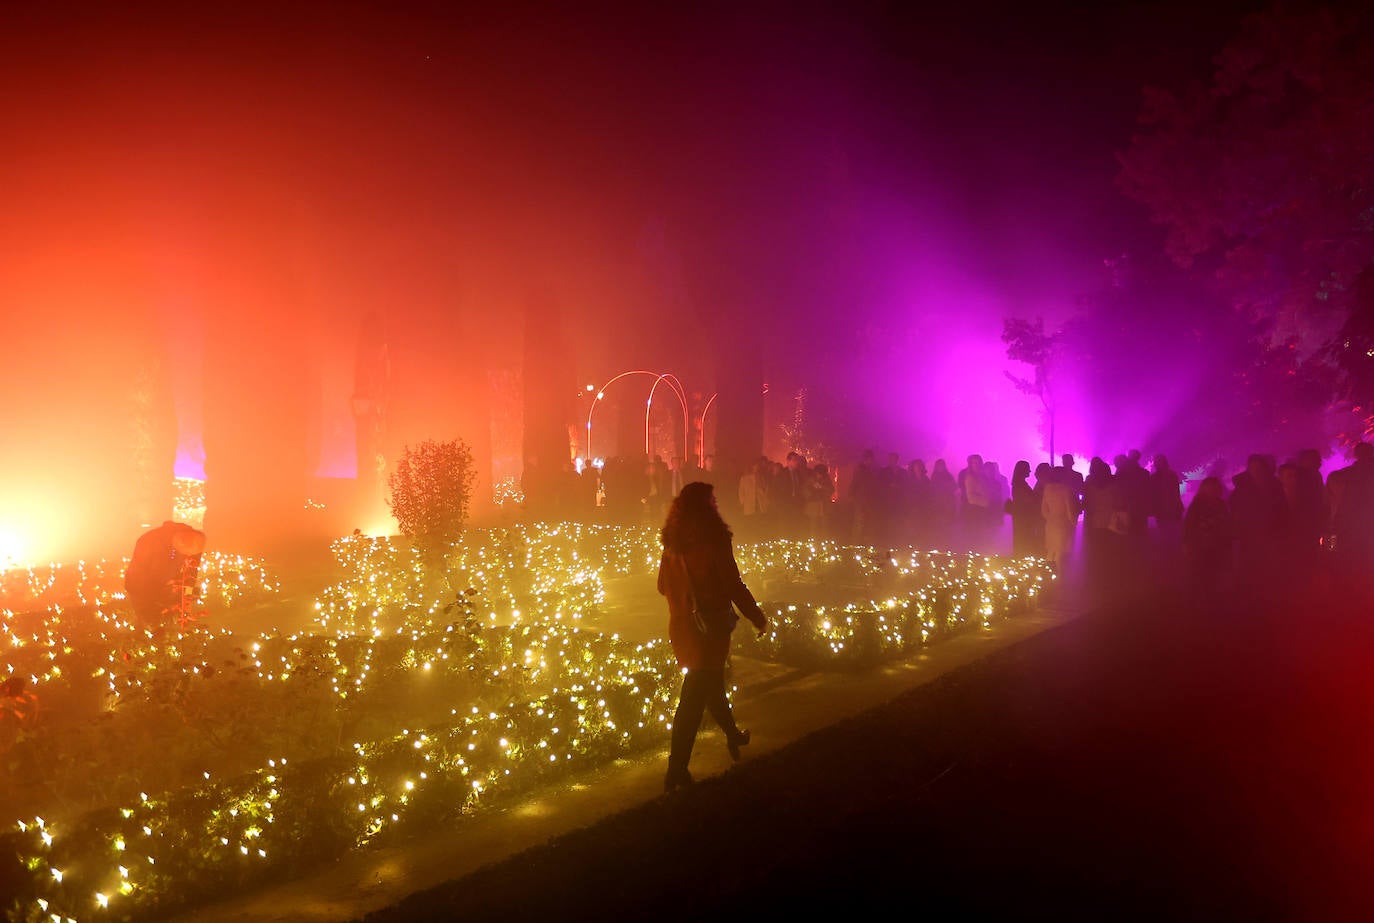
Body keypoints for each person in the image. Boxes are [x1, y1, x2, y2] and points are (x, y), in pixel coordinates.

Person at [657, 482, 768, 792]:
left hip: (681, 626)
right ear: (707, 506)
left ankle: (733, 735)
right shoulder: (714, 541)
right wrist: (757, 617)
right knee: (693, 699)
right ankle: (676, 770)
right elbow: (733, 584)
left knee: (710, 683)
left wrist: (683, 600)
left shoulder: (673, 542)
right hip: (709, 628)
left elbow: (662, 585)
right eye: (713, 500)